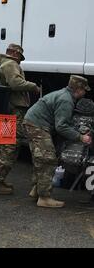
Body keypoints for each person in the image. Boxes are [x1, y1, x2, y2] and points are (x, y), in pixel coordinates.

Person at [23, 75, 92, 208]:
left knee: (40, 159)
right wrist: (81, 137)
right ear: (78, 89)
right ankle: (44, 197)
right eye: (84, 90)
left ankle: (36, 190)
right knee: (47, 159)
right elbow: (61, 126)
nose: (85, 93)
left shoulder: (64, 94)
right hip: (37, 125)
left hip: (34, 122)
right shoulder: (67, 100)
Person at [0, 43, 40, 195]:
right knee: (12, 144)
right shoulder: (10, 64)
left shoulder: (1, 63)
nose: (20, 61)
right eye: (20, 58)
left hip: (7, 108)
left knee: (5, 143)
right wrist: (33, 86)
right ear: (16, 54)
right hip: (14, 109)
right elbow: (15, 83)